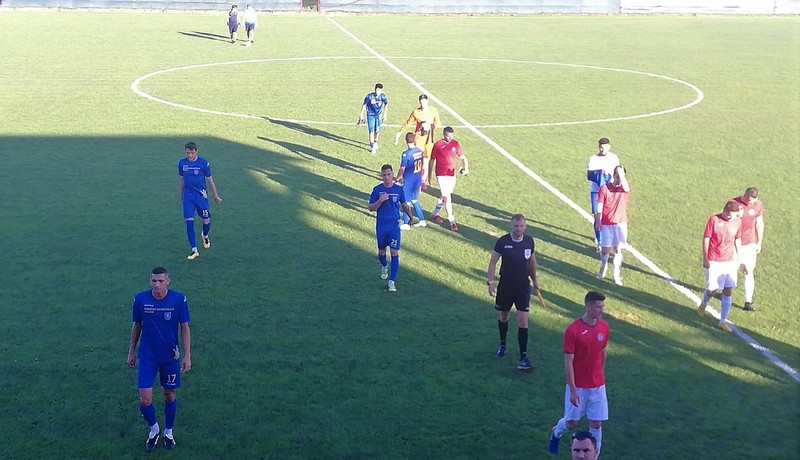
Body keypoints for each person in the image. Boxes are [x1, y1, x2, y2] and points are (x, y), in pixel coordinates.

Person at [127, 267, 192, 452]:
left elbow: (184, 327)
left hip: (170, 357)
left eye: (161, 281)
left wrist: (187, 355)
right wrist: (131, 352)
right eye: (154, 281)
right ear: (150, 281)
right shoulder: (140, 299)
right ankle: (154, 429)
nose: (157, 285)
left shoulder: (179, 299)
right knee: (145, 400)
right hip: (148, 357)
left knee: (169, 395)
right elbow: (136, 326)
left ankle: (168, 432)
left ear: (168, 281)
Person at [549, 290, 610, 456]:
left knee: (596, 423)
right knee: (571, 423)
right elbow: (568, 361)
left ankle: (593, 456)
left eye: (602, 306)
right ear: (588, 306)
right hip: (579, 386)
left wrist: (600, 374)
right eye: (598, 307)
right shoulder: (573, 330)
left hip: (597, 385)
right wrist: (573, 390)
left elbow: (603, 351)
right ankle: (556, 432)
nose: (602, 310)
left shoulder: (604, 327)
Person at [487, 214, 539, 371]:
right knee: (504, 315)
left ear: (525, 226)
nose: (519, 229)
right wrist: (491, 282)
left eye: (521, 226)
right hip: (506, 286)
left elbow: (532, 261)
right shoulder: (503, 242)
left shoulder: (529, 241)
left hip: (523, 286)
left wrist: (535, 279)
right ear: (511, 226)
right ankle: (503, 344)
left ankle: (523, 357)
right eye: (516, 226)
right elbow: (493, 262)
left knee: (523, 321)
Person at [697, 200, 743, 331]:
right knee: (712, 290)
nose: (730, 217)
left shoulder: (737, 222)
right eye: (728, 214)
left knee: (728, 290)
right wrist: (705, 258)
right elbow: (706, 238)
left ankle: (723, 321)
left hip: (729, 261)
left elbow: (737, 239)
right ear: (724, 210)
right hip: (714, 260)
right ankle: (703, 304)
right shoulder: (714, 220)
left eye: (733, 215)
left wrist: (739, 258)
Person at [368, 164, 415, 292]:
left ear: (392, 174)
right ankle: (384, 266)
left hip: (394, 226)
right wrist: (380, 200)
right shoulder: (377, 190)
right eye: (384, 175)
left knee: (394, 252)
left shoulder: (399, 190)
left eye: (389, 174)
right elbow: (370, 208)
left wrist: (410, 216)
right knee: (381, 251)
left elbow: (404, 204)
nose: (387, 177)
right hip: (381, 226)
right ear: (381, 175)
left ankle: (392, 281)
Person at [179, 141, 222, 260]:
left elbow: (210, 180)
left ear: (196, 151)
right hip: (188, 196)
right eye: (188, 153)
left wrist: (215, 195)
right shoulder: (182, 163)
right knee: (189, 222)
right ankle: (194, 250)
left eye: (192, 153)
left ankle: (205, 235)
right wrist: (181, 195)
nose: (190, 155)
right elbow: (181, 180)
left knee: (206, 220)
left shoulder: (203, 163)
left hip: (201, 196)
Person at [394, 94, 442, 187]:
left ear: (427, 101)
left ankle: (422, 181)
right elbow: (408, 122)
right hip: (419, 138)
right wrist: (400, 132)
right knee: (418, 158)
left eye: (424, 102)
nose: (423, 104)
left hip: (429, 139)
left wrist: (431, 126)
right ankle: (414, 178)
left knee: (426, 160)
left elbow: (439, 124)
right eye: (421, 102)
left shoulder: (433, 110)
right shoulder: (416, 112)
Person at [427, 126, 469, 232]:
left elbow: (463, 158)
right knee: (447, 198)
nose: (449, 138)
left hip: (451, 174)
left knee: (446, 196)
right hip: (441, 174)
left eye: (451, 136)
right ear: (443, 134)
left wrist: (466, 168)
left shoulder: (455, 144)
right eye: (447, 136)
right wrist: (429, 176)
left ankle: (434, 213)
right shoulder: (438, 145)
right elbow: (432, 160)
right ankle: (452, 221)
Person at [595, 165, 630, 286]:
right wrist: (598, 220)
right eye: (617, 176)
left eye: (621, 177)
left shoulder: (624, 188)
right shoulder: (604, 188)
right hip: (607, 224)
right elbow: (599, 206)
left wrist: (621, 173)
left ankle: (616, 275)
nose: (619, 179)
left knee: (618, 249)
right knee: (605, 250)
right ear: (613, 176)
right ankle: (603, 266)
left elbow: (626, 187)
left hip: (620, 223)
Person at [731, 187, 764, 311]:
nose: (750, 203)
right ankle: (725, 291)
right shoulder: (733, 203)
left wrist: (759, 242)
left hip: (750, 244)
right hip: (735, 243)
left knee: (749, 271)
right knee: (731, 270)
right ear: (744, 195)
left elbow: (759, 223)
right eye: (749, 200)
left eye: (753, 201)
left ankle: (748, 301)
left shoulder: (757, 205)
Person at [586, 138, 620, 252]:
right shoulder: (593, 159)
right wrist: (599, 175)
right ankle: (599, 240)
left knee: (610, 214)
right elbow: (589, 175)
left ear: (609, 147)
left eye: (604, 147)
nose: (602, 149)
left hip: (610, 191)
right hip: (596, 191)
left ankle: (612, 237)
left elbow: (617, 173)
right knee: (597, 214)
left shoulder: (613, 158)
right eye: (601, 147)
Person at [395, 132, 426, 230]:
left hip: (409, 182)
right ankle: (422, 220)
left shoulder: (406, 154)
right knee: (414, 200)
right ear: (415, 139)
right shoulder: (419, 151)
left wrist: (397, 178)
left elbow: (402, 168)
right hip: (417, 180)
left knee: (406, 203)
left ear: (406, 141)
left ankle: (407, 223)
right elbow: (422, 166)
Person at [358, 83, 389, 154]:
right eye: (377, 90)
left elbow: (386, 104)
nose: (378, 92)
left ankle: (375, 142)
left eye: (380, 90)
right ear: (375, 90)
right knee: (371, 130)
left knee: (377, 130)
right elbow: (364, 105)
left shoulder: (383, 97)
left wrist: (385, 114)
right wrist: (361, 114)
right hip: (370, 115)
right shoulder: (369, 96)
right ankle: (372, 147)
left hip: (378, 115)